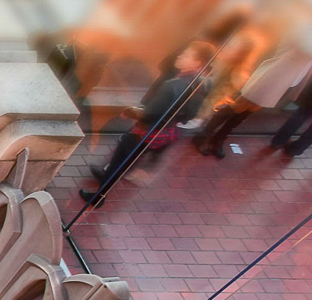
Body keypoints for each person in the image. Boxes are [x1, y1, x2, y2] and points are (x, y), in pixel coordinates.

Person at [79, 41, 214, 204]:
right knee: (129, 157)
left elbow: (149, 113)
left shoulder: (172, 86)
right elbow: (190, 115)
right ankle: (106, 176)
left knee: (123, 156)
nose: (180, 56)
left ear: (197, 62)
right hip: (165, 132)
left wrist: (129, 111)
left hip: (148, 131)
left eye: (186, 54)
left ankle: (100, 195)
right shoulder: (204, 82)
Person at [194, 30, 312, 158]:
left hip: (288, 82)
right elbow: (307, 48)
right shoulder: (304, 26)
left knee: (246, 112)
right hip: (272, 77)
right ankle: (203, 136)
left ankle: (218, 138)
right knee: (236, 107)